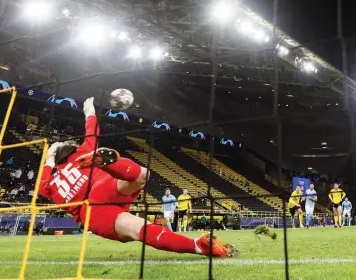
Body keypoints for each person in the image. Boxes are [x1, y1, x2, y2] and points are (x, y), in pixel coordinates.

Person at [39, 97, 233, 258]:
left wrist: (48, 160)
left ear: (56, 162)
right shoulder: (80, 153)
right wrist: (89, 111)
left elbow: (41, 186)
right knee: (142, 175)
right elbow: (92, 132)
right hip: (106, 186)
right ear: (70, 149)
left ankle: (197, 246)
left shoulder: (51, 184)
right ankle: (114, 163)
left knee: (141, 230)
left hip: (91, 212)